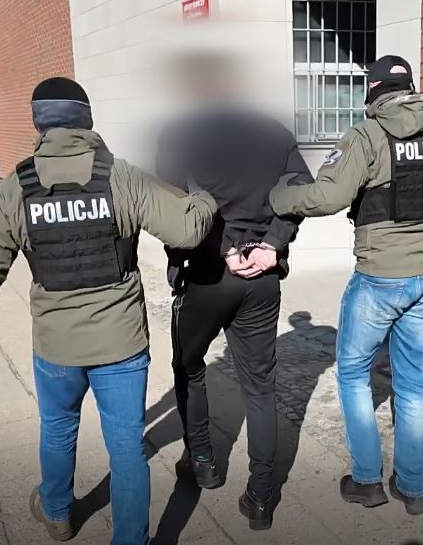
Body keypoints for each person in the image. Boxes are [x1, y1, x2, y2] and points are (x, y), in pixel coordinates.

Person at [0, 77, 217, 545]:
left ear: (39, 123)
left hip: (57, 346)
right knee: (127, 448)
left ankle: (57, 514)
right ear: (86, 119)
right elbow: (187, 229)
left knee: (57, 429)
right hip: (121, 344)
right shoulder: (121, 176)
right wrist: (206, 197)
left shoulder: (15, 190)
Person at [270, 55, 423, 515]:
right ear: (411, 90)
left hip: (380, 277)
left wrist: (279, 197)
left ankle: (367, 481)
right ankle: (412, 488)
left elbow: (328, 197)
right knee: (412, 382)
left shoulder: (366, 136)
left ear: (373, 91)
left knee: (352, 373)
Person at [155, 55, 313, 531]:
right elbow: (302, 188)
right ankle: (261, 496)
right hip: (261, 276)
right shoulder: (273, 132)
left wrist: (222, 248)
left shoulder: (180, 133)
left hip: (208, 274)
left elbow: (171, 209)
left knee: (189, 367)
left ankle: (203, 460)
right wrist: (272, 244)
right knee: (261, 388)